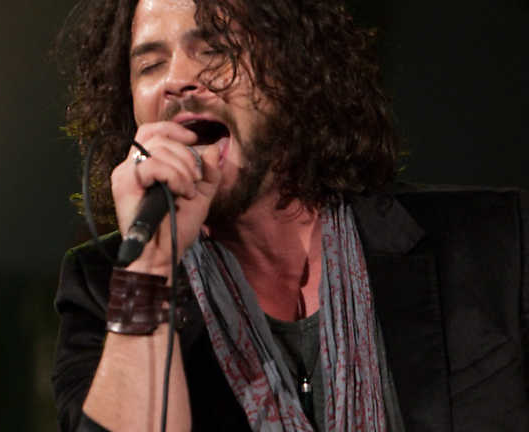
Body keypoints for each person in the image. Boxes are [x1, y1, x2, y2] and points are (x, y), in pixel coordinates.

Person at [51, 0, 529, 431]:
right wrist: (151, 266)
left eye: (215, 49)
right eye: (150, 65)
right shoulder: (101, 288)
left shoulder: (493, 243)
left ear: (294, 68)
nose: (178, 79)